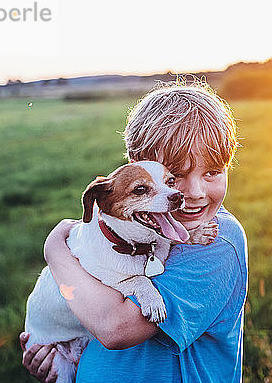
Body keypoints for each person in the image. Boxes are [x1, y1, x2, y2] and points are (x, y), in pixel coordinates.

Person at [20, 82, 248, 383]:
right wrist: (58, 356)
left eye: (212, 172)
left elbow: (115, 328)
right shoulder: (133, 226)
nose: (193, 192)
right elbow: (83, 308)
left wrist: (55, 253)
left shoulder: (217, 241)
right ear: (139, 167)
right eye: (175, 175)